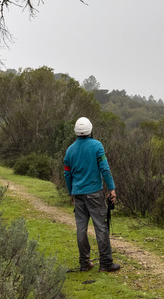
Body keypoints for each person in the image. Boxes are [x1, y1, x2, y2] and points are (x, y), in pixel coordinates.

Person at [63, 116, 120, 272]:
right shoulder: (97, 146)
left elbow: (67, 175)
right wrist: (112, 188)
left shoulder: (69, 150)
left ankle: (84, 263)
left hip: (78, 194)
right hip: (94, 193)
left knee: (81, 228)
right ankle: (106, 263)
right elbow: (105, 168)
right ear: (90, 130)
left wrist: (71, 193)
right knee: (100, 227)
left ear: (76, 131)